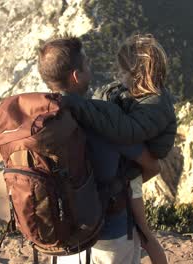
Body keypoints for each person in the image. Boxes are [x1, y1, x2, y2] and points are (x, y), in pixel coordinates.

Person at [37, 36, 167, 264]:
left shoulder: (42, 124)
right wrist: (129, 183)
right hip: (110, 236)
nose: (90, 67)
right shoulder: (105, 119)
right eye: (86, 64)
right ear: (76, 76)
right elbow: (152, 165)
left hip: (65, 237)